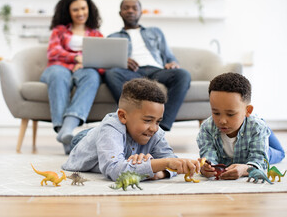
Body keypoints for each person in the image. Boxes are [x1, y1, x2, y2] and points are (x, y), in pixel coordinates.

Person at [62, 78, 200, 181]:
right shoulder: (110, 128)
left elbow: (171, 159)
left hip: (113, 140)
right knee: (86, 138)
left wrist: (160, 172)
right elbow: (115, 171)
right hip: (85, 139)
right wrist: (163, 164)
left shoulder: (155, 131)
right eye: (147, 120)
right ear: (122, 116)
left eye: (158, 121)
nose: (154, 128)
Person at [104, 0, 191, 131]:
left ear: (141, 12)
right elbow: (109, 62)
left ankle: (162, 126)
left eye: (134, 8)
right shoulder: (112, 37)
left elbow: (168, 54)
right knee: (111, 73)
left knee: (183, 74)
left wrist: (172, 62)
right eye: (126, 8)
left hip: (157, 71)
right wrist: (122, 62)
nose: (130, 11)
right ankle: (132, 118)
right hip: (132, 73)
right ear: (120, 13)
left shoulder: (155, 31)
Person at [40, 0, 103, 154]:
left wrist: (86, 63)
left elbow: (102, 62)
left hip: (84, 70)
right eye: (75, 10)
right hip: (57, 68)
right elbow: (53, 52)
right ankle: (66, 133)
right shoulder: (59, 31)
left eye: (83, 8)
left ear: (89, 9)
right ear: (68, 11)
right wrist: (77, 59)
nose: (80, 13)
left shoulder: (96, 35)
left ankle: (66, 130)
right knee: (58, 75)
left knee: (92, 75)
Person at [196, 72, 285, 180]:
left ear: (248, 110)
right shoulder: (207, 128)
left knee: (278, 153)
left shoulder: (257, 128)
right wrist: (206, 168)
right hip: (249, 127)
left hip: (254, 131)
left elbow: (260, 162)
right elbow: (208, 156)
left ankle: (264, 129)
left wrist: (244, 170)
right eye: (216, 113)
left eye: (230, 114)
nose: (222, 121)